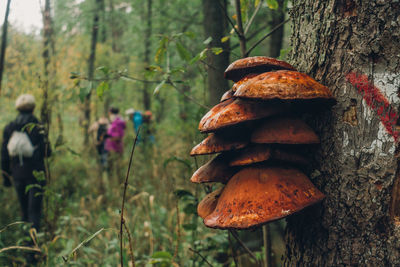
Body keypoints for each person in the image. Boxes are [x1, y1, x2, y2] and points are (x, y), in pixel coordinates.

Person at [1, 94, 51, 231]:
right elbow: (48, 151)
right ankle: (34, 246)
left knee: (24, 211)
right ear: (33, 108)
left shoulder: (10, 127)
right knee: (34, 211)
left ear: (17, 109)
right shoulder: (38, 126)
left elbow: (4, 154)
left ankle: (25, 245)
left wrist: (6, 176)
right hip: (36, 174)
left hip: (18, 174)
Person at [105, 107, 126, 182]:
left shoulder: (117, 122)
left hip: (115, 148)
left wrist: (109, 137)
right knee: (113, 167)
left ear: (110, 113)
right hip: (113, 147)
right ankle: (113, 184)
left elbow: (118, 136)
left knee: (117, 167)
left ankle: (119, 184)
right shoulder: (115, 121)